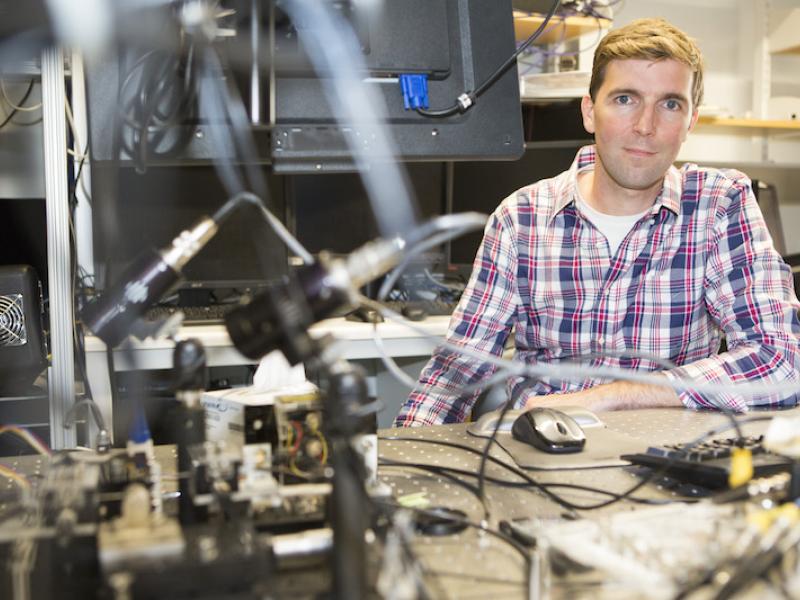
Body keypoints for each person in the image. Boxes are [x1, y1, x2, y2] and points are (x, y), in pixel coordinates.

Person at [395, 17, 800, 427]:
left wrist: (613, 398)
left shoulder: (719, 205)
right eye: (625, 99)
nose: (646, 126)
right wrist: (398, 470)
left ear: (691, 122)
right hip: (542, 462)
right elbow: (454, 375)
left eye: (670, 104)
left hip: (664, 467)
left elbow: (782, 362)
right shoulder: (521, 219)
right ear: (590, 112)